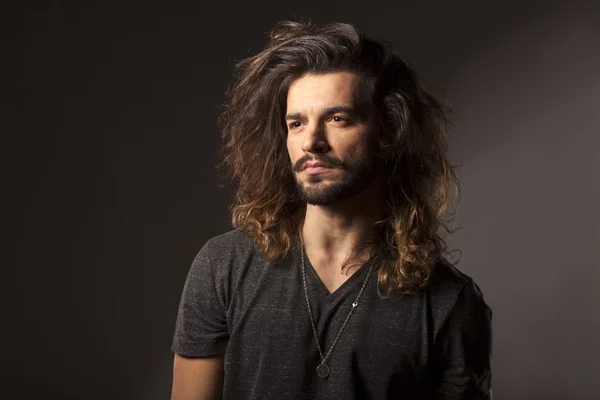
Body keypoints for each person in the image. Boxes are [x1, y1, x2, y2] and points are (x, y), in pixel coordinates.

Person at [170, 20, 492, 400]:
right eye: (296, 123)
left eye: (337, 119)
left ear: (387, 131)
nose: (311, 141)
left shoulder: (449, 302)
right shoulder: (222, 267)